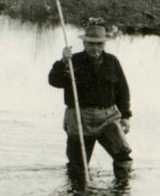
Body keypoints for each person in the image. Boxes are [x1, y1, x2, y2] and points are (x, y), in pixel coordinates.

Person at [48, 20, 132, 182]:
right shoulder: (73, 62)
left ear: (104, 44)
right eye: (91, 44)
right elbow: (54, 81)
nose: (95, 48)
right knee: (78, 164)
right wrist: (63, 61)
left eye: (99, 44)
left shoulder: (112, 62)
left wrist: (126, 116)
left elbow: (123, 91)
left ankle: (122, 195)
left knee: (123, 154)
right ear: (84, 43)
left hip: (107, 117)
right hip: (79, 118)